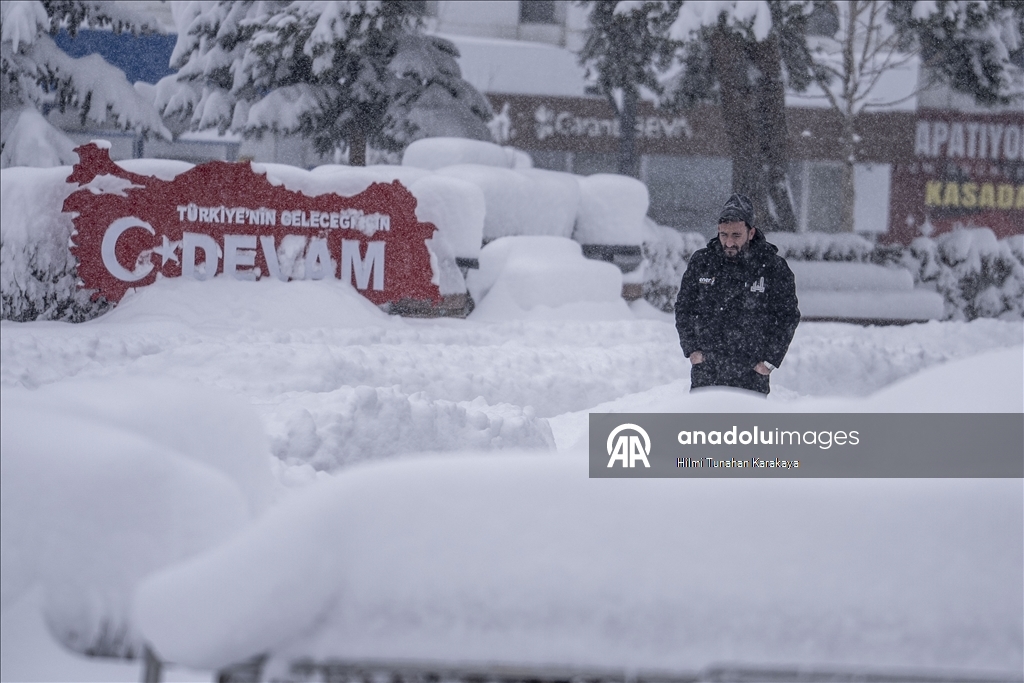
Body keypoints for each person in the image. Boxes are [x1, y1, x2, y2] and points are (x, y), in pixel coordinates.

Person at [674, 193, 800, 395]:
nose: (729, 242)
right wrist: (692, 349)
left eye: (736, 235)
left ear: (751, 233)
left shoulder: (773, 267)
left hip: (751, 374)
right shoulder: (702, 262)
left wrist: (769, 361)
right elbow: (684, 308)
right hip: (707, 371)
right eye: (724, 235)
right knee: (702, 426)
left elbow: (787, 316)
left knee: (746, 427)